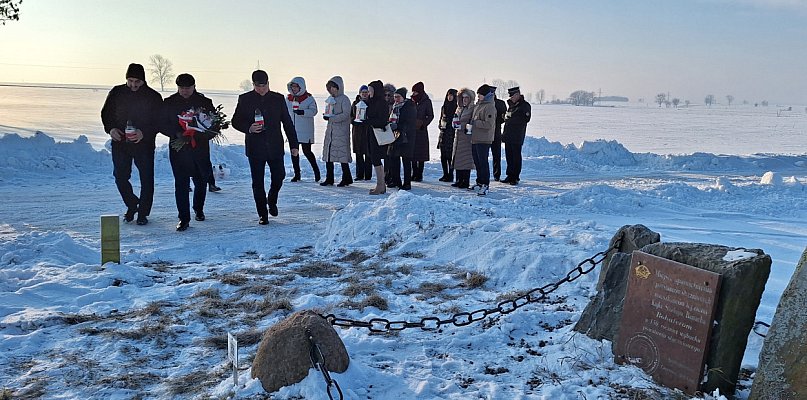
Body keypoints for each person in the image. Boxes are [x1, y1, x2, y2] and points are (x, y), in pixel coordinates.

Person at [232, 70, 299, 225]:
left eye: (263, 85)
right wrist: (248, 127)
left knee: (279, 176)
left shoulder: (277, 99)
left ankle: (272, 198)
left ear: (268, 83)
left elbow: (287, 123)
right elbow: (235, 121)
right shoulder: (245, 99)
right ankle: (263, 214)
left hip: (275, 145)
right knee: (258, 182)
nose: (261, 89)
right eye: (257, 86)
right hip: (255, 147)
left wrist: (294, 144)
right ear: (253, 84)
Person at [100, 63, 163, 225]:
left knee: (146, 179)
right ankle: (132, 204)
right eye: (130, 80)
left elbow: (159, 121)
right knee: (120, 177)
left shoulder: (153, 97)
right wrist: (111, 129)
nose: (133, 84)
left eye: (137, 81)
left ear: (143, 80)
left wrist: (144, 133)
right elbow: (106, 113)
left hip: (144, 144)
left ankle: (143, 213)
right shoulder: (117, 92)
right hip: (121, 142)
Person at [160, 73, 217, 231]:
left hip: (199, 149)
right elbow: (161, 123)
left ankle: (198, 209)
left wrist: (204, 132)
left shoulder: (204, 102)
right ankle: (183, 218)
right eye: (182, 88)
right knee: (181, 184)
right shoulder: (169, 103)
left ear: (194, 86)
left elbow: (214, 123)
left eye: (188, 88)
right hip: (179, 149)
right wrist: (177, 133)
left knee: (200, 181)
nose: (185, 91)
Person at [320, 76, 353, 187]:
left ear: (338, 87)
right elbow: (329, 111)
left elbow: (346, 114)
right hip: (331, 131)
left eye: (332, 87)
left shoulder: (345, 99)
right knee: (329, 155)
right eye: (329, 88)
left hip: (341, 131)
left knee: (342, 155)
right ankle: (329, 178)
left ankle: (347, 177)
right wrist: (326, 116)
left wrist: (331, 118)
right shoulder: (330, 99)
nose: (331, 90)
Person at [286, 77, 320, 182]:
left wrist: (303, 112)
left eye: (296, 86)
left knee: (307, 152)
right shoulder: (288, 99)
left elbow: (314, 111)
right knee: (294, 152)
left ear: (301, 87)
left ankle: (316, 171)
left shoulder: (309, 98)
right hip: (292, 130)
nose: (294, 89)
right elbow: (284, 111)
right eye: (293, 86)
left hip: (305, 130)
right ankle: (297, 174)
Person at [387, 87, 417, 190]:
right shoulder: (394, 107)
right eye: (395, 97)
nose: (396, 99)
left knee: (406, 160)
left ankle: (407, 183)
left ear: (403, 97)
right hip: (395, 136)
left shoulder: (409, 107)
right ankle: (396, 181)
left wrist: (398, 126)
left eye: (398, 97)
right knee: (393, 158)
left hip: (406, 137)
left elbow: (410, 123)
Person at [470, 84, 497, 196]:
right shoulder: (478, 105)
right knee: (477, 162)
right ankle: (479, 182)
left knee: (483, 162)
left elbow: (489, 124)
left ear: (485, 95)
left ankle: (485, 184)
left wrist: (475, 122)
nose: (478, 96)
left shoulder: (489, 106)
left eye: (480, 94)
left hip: (484, 139)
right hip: (475, 138)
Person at [364, 80, 389, 195]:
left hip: (378, 133)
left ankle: (381, 185)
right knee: (373, 157)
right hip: (371, 133)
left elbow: (382, 120)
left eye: (370, 90)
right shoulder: (370, 102)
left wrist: (369, 121)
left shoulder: (381, 103)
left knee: (376, 158)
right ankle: (381, 184)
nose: (369, 93)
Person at [502, 87, 531, 185]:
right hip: (508, 134)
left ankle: (515, 177)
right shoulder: (511, 105)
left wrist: (510, 119)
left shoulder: (524, 105)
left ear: (518, 95)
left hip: (517, 135)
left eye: (513, 96)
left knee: (516, 157)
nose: (511, 98)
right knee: (509, 156)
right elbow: (507, 116)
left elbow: (525, 119)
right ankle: (509, 175)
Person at [451, 88, 476, 189]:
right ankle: (458, 180)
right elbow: (456, 118)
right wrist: (454, 124)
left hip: (467, 137)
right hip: (458, 137)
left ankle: (465, 181)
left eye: (466, 97)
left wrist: (462, 126)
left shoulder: (472, 108)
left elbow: (472, 121)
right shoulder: (459, 108)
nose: (464, 99)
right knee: (457, 159)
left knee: (465, 159)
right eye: (463, 97)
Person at [410, 81, 434, 182]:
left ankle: (419, 174)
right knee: (412, 153)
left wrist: (423, 123)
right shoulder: (411, 101)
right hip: (411, 130)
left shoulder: (426, 101)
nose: (414, 94)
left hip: (421, 131)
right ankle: (414, 172)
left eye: (415, 92)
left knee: (421, 154)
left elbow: (431, 115)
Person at [350, 85, 372, 181]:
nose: (364, 94)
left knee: (368, 154)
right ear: (359, 93)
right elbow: (351, 115)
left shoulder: (371, 103)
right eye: (362, 92)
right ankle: (359, 174)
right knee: (358, 153)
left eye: (366, 92)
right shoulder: (355, 103)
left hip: (367, 131)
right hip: (357, 131)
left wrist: (368, 121)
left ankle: (368, 175)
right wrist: (353, 121)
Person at [437, 89, 458, 182]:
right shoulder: (444, 107)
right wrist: (441, 125)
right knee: (443, 155)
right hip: (443, 133)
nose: (449, 97)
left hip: (452, 133)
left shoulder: (457, 107)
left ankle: (450, 174)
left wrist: (449, 123)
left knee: (450, 156)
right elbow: (440, 118)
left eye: (451, 95)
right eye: (448, 95)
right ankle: (445, 173)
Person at [490, 86, 508, 181]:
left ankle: (497, 175)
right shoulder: (483, 103)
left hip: (496, 131)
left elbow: (504, 117)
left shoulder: (500, 103)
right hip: (485, 133)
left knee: (496, 155)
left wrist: (496, 121)